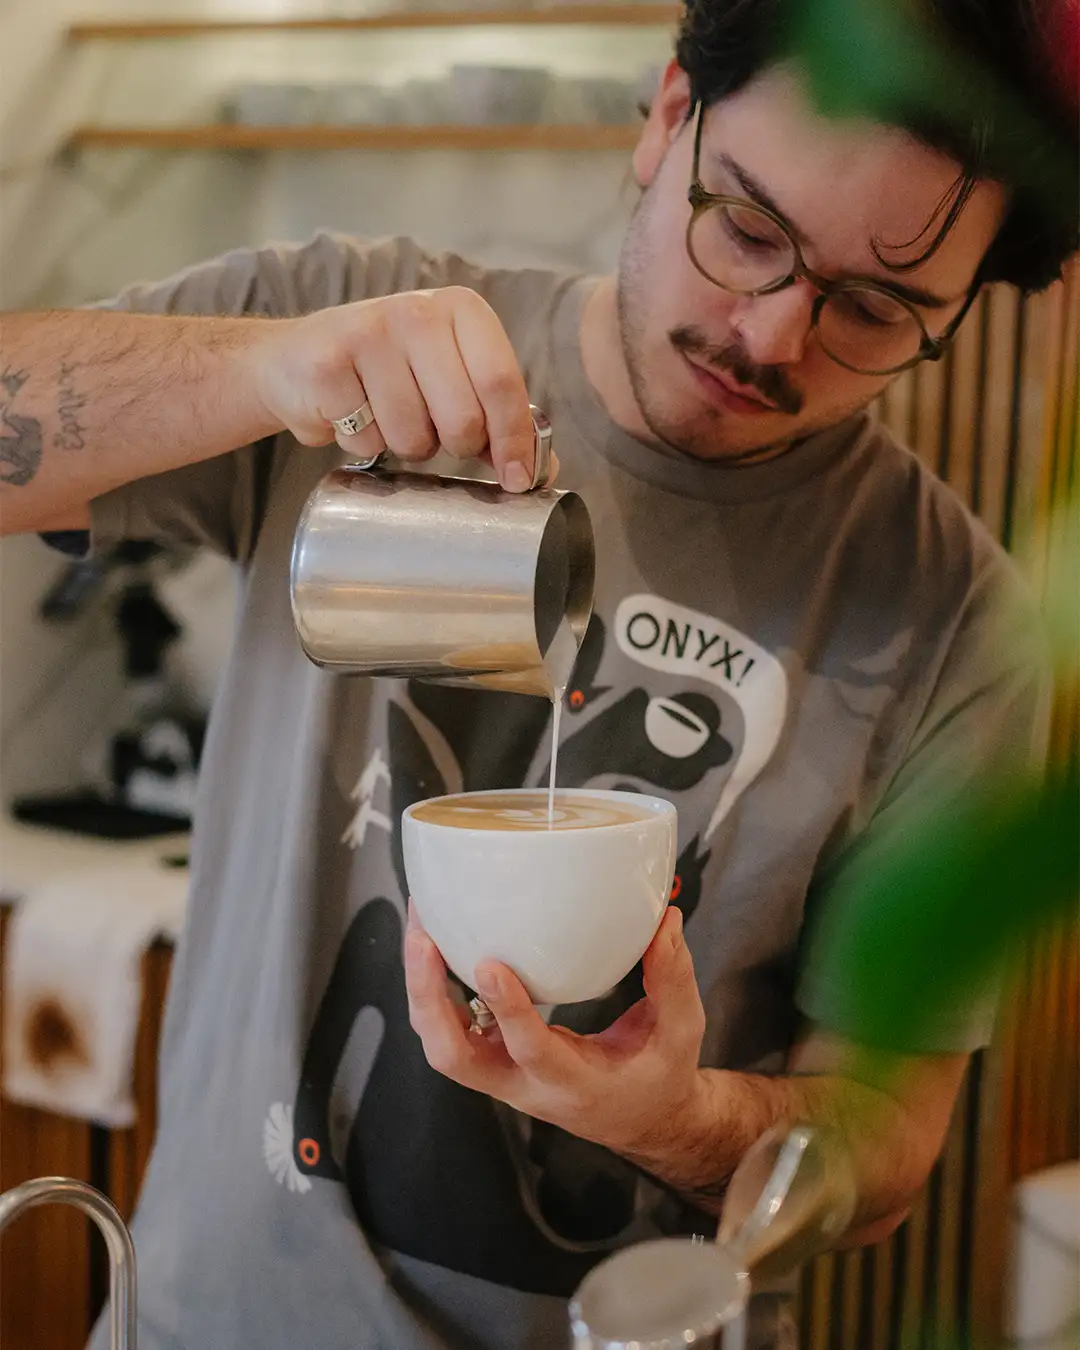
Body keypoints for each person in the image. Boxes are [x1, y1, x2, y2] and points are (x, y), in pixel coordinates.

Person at [1, 1, 1075, 1345]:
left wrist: (681, 1119)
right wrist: (257, 367)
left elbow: (886, 1150)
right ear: (668, 117)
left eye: (873, 308)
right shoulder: (342, 327)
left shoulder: (956, 621)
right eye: (749, 231)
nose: (770, 337)